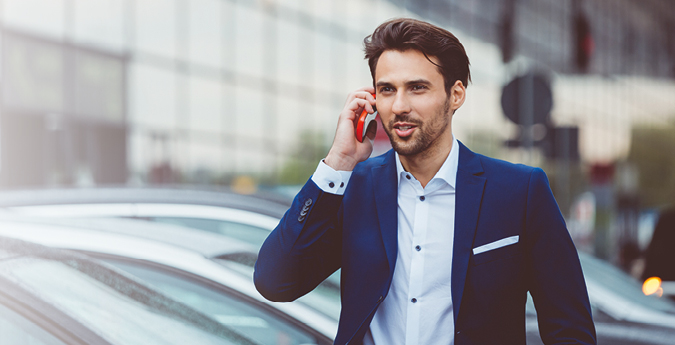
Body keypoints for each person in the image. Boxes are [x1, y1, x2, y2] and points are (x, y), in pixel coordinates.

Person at [255, 18, 596, 345]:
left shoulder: (519, 192)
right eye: (386, 90)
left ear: (456, 95)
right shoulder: (354, 188)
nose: (399, 106)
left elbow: (570, 329)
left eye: (417, 88)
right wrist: (339, 162)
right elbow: (276, 282)